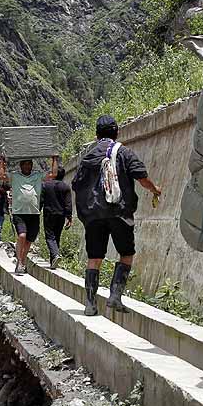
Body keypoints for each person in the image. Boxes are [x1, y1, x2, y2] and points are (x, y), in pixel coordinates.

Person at [72, 115, 162, 316]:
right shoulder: (124, 153)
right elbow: (141, 176)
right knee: (126, 253)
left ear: (96, 135)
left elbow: (77, 184)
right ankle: (115, 296)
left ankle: (90, 304)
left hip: (94, 215)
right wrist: (155, 189)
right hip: (119, 212)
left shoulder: (87, 157)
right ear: (117, 132)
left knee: (94, 257)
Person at [0, 156, 56, 274]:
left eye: (28, 164)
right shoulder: (15, 176)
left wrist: (54, 158)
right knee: (22, 236)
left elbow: (53, 174)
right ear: (20, 166)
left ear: (31, 165)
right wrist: (2, 163)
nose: (26, 166)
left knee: (29, 241)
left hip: (34, 213)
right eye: (24, 164)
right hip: (19, 212)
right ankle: (19, 262)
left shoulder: (37, 176)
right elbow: (1, 176)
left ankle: (23, 261)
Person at [41, 166, 73, 269]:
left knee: (50, 237)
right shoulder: (66, 187)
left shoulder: (46, 185)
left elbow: (41, 200)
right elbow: (68, 203)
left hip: (49, 214)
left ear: (54, 174)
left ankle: (55, 255)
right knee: (57, 236)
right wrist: (69, 217)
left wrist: (38, 210)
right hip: (61, 215)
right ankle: (53, 262)